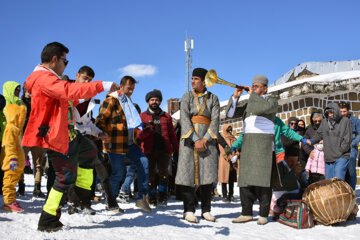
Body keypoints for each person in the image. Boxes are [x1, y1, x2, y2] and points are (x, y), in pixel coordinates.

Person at [22, 42, 119, 232]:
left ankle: (82, 196)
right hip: (56, 138)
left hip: (70, 136)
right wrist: (102, 85)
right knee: (64, 177)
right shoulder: (42, 78)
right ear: (54, 59)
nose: (66, 65)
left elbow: (71, 99)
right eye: (65, 61)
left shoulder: (50, 79)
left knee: (91, 153)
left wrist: (96, 129)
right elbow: (67, 91)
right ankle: (48, 219)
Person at [66, 66, 122, 214]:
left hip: (83, 137)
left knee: (93, 169)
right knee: (69, 171)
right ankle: (71, 202)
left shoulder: (89, 97)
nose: (87, 82)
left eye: (90, 80)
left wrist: (99, 133)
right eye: (85, 78)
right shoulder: (66, 89)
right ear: (77, 75)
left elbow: (87, 123)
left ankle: (88, 203)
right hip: (68, 137)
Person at [226, 75, 279, 225]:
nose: (253, 88)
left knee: (263, 180)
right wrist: (235, 97)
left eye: (257, 86)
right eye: (252, 85)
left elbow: (265, 108)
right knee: (245, 180)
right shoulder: (251, 103)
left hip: (263, 144)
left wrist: (252, 95)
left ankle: (263, 214)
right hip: (248, 143)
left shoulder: (271, 100)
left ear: (265, 88)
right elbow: (230, 114)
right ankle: (246, 212)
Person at [95, 75, 151, 212]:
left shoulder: (129, 103)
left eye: (133, 89)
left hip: (130, 144)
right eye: (128, 88)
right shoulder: (111, 101)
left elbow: (130, 122)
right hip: (115, 143)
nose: (131, 91)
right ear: (121, 86)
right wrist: (101, 134)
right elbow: (100, 119)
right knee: (118, 173)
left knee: (144, 163)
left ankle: (142, 198)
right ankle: (111, 202)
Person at [175, 68, 220, 223]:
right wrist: (196, 139)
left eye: (195, 78)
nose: (192, 81)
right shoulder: (186, 96)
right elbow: (184, 118)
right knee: (188, 175)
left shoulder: (213, 98)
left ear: (203, 81)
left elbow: (215, 120)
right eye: (192, 78)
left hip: (208, 140)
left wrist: (205, 139)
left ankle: (206, 210)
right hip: (189, 140)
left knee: (207, 176)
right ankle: (188, 210)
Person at [137, 89, 179, 207]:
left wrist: (176, 148)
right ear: (148, 102)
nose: (154, 101)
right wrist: (147, 130)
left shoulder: (166, 116)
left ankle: (162, 197)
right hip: (148, 151)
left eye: (157, 99)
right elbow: (138, 135)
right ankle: (151, 197)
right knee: (149, 175)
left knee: (163, 174)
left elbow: (172, 134)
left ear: (160, 101)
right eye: (152, 100)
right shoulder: (142, 116)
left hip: (164, 150)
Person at [310, 103, 351, 181]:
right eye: (328, 113)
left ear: (336, 112)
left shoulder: (345, 121)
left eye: (331, 112)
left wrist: (340, 150)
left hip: (341, 155)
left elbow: (347, 139)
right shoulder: (325, 122)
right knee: (329, 182)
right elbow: (319, 134)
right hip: (329, 156)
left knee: (338, 180)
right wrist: (311, 141)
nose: (330, 114)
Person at [21, 84, 46, 197]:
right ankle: (21, 186)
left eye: (31, 89)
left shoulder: (38, 102)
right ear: (24, 90)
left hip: (37, 137)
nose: (29, 92)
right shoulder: (19, 103)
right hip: (24, 137)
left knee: (38, 165)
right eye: (26, 89)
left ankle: (37, 189)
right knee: (20, 164)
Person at [1, 104, 26, 212]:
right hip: (11, 162)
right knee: (9, 182)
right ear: (15, 116)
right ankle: (8, 202)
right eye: (20, 116)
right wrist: (13, 158)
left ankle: (11, 199)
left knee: (13, 181)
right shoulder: (10, 128)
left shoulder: (17, 130)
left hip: (17, 162)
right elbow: (9, 144)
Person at [339, 101, 360, 190]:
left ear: (348, 110)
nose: (343, 113)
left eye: (344, 111)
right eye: (341, 111)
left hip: (351, 149)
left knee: (351, 171)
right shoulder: (336, 121)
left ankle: (351, 192)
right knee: (340, 171)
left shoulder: (355, 120)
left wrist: (353, 143)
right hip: (339, 148)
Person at [218, 124, 238, 203]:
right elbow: (222, 150)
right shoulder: (222, 138)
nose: (230, 131)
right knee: (224, 178)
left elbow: (237, 148)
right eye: (228, 130)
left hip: (233, 161)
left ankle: (231, 195)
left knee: (231, 178)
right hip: (224, 161)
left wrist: (236, 155)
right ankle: (224, 195)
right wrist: (230, 157)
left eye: (231, 130)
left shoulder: (234, 138)